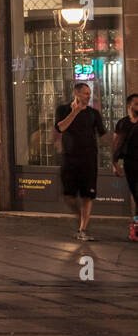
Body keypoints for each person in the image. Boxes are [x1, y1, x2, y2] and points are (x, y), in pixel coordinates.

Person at [56, 82, 107, 241]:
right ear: (76, 93)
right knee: (68, 196)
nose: (89, 96)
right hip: (69, 158)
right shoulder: (63, 110)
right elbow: (61, 128)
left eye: (89, 93)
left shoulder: (93, 113)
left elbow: (102, 134)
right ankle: (79, 216)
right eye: (85, 93)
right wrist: (75, 112)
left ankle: (83, 229)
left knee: (87, 195)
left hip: (89, 159)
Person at [112, 93, 138, 242]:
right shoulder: (122, 123)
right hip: (130, 163)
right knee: (136, 195)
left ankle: (134, 227)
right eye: (136, 104)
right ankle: (134, 227)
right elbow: (116, 144)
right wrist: (115, 164)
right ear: (129, 106)